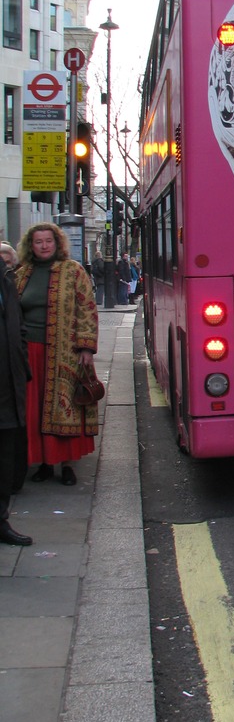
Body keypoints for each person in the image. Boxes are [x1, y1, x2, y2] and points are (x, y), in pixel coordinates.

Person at [16, 223, 99, 486]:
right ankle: (43, 462)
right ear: (31, 245)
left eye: (48, 241)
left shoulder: (73, 271)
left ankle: (67, 465)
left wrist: (86, 347)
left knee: (66, 408)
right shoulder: (21, 273)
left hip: (65, 351)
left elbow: (87, 309)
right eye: (38, 241)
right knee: (36, 409)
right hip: (28, 352)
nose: (43, 246)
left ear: (57, 243)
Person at [0, 256, 33, 546]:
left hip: (8, 380)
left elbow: (17, 323)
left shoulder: (6, 277)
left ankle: (1, 520)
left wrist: (21, 363)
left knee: (5, 458)